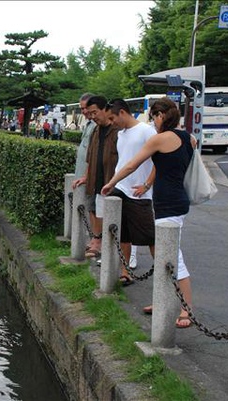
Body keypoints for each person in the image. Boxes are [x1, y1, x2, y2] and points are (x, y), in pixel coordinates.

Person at [101, 97, 194, 328]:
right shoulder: (188, 137)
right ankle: (165, 301)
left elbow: (132, 164)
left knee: (174, 257)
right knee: (165, 255)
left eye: (153, 117)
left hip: (168, 205)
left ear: (160, 116)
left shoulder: (159, 139)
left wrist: (111, 182)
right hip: (178, 200)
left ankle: (187, 310)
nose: (153, 122)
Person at [102, 99, 157, 286]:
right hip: (121, 188)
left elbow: (159, 160)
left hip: (139, 193)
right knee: (122, 233)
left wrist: (147, 184)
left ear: (123, 113)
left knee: (150, 236)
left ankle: (166, 274)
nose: (112, 122)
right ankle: (125, 271)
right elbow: (123, 162)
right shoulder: (121, 134)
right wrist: (113, 183)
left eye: (113, 118)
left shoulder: (146, 131)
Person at [72, 95, 119, 258]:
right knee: (99, 214)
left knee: (112, 219)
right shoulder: (96, 129)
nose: (91, 116)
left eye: (94, 113)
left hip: (112, 181)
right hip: (97, 181)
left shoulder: (117, 130)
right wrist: (86, 176)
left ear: (105, 109)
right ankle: (104, 251)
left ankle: (111, 256)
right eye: (88, 113)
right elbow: (90, 156)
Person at [71, 93, 96, 251]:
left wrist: (87, 175)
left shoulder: (95, 126)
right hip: (82, 175)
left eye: (85, 108)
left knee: (93, 209)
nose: (84, 111)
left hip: (89, 177)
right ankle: (93, 239)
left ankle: (95, 241)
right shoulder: (88, 124)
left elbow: (92, 155)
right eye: (81, 108)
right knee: (89, 208)